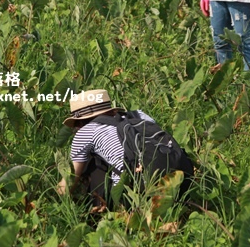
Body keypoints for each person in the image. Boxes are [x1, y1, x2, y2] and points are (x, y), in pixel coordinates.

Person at [56, 89, 192, 211]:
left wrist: (52, 198)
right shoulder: (138, 115)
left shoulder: (85, 132)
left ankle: (100, 213)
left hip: (137, 195)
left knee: (91, 164)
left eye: (75, 125)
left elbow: (70, 180)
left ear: (80, 122)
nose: (75, 130)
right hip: (181, 181)